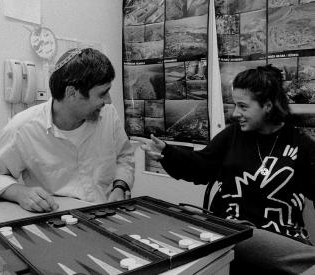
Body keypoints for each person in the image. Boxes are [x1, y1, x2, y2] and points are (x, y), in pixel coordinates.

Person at [133, 65, 315, 275]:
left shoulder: (302, 145)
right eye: (235, 105)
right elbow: (200, 167)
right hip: (231, 239)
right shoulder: (232, 136)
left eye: (243, 106)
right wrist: (167, 152)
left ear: (267, 105)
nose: (236, 113)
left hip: (281, 246)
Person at [0, 48, 135, 212]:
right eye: (102, 94)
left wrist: (120, 187)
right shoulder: (23, 128)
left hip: (108, 215)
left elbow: (124, 156)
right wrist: (19, 192)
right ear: (71, 93)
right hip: (57, 221)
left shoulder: (108, 114)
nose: (108, 101)